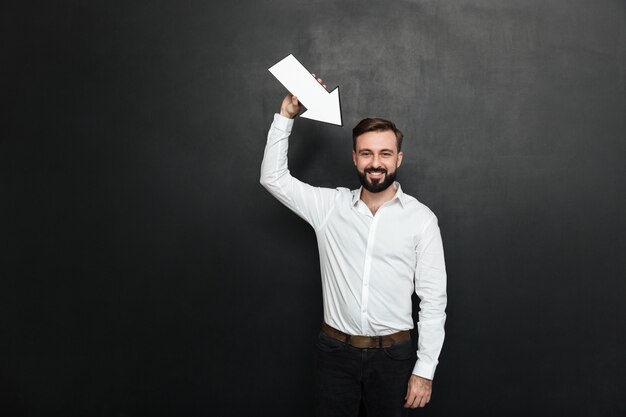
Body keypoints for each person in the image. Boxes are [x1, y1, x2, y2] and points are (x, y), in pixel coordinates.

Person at [260, 79, 447, 417]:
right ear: (355, 158)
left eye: (385, 154)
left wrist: (425, 370)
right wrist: (286, 115)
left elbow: (434, 302)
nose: (376, 162)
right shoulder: (329, 207)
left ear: (398, 159)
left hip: (394, 357)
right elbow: (273, 179)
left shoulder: (422, 220)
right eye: (367, 153)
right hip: (335, 353)